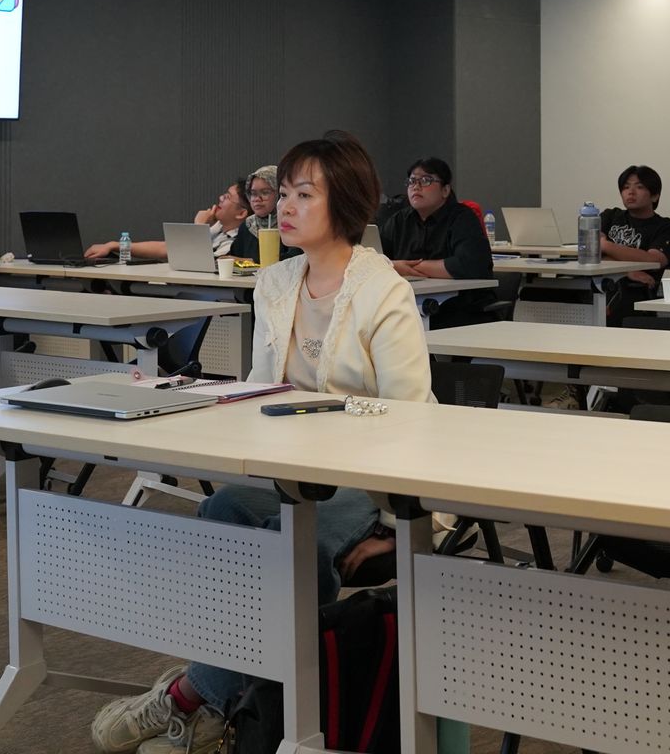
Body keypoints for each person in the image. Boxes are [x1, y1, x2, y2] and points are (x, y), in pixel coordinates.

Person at [90, 133, 431, 754]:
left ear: (347, 205)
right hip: (290, 465)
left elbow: (408, 420)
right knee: (222, 512)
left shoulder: (385, 292)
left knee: (290, 548)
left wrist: (394, 520)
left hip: (369, 473)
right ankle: (240, 704)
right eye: (287, 194)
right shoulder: (274, 282)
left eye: (306, 193)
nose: (287, 206)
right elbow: (261, 389)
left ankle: (194, 699)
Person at [377, 156, 493, 328]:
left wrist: (408, 267)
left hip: (461, 308)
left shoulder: (462, 218)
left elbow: (469, 265)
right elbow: (374, 258)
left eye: (426, 180)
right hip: (408, 307)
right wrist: (395, 265)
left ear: (445, 190)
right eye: (411, 181)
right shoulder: (399, 220)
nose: (416, 186)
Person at [83, 179, 250, 263]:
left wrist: (199, 226)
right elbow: (167, 248)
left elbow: (197, 262)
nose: (220, 199)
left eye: (227, 197)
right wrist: (114, 245)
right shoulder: (218, 228)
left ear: (241, 213)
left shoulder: (238, 241)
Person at [599, 165, 670, 324]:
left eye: (639, 187)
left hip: (634, 296)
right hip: (600, 285)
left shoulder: (667, 228)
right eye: (625, 187)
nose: (630, 192)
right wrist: (625, 271)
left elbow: (652, 260)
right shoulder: (610, 216)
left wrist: (606, 246)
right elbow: (591, 249)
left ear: (655, 196)